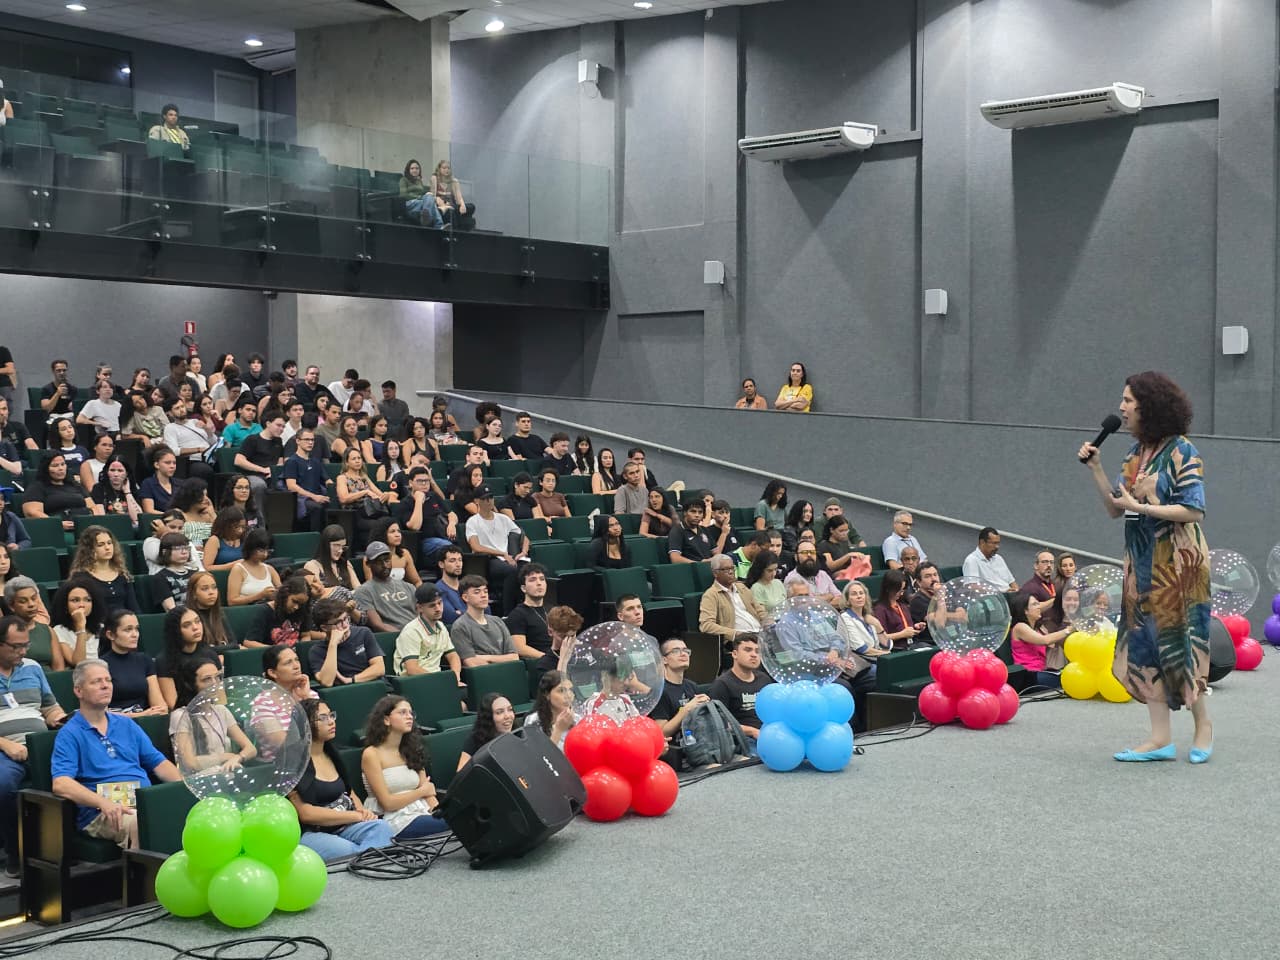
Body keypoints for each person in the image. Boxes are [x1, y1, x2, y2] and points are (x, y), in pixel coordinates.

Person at [1078, 371, 1212, 763]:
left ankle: (1203, 726)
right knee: (1145, 644)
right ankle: (1160, 739)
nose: (1121, 407)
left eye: (1128, 400)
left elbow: (1194, 510)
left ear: (1148, 406)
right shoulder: (1134, 455)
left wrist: (1143, 507)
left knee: (1181, 643)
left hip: (1179, 565)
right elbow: (1114, 509)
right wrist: (1097, 469)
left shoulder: (1182, 451)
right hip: (1140, 562)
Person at [51, 659, 181, 849]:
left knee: (184, 812)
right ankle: (144, 868)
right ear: (79, 691)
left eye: (108, 680)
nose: (105, 685)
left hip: (142, 799)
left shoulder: (127, 724)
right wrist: (103, 802)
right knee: (144, 823)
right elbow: (61, 784)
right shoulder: (69, 733)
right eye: (96, 682)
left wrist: (183, 789)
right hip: (101, 810)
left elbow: (159, 763)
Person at [0, 614, 69, 875]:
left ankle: (64, 850)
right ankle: (15, 851)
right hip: (6, 750)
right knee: (3, 784)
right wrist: (6, 745)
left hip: (40, 745)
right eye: (16, 646)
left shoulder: (32, 668)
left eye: (25, 645)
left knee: (78, 772)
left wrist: (61, 718)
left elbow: (49, 707)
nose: (23, 651)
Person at [289, 699, 394, 861]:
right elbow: (306, 814)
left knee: (382, 827)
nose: (331, 721)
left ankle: (367, 861)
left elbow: (349, 792)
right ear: (305, 724)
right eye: (323, 718)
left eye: (331, 715)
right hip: (313, 832)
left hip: (344, 824)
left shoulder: (332, 754)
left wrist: (363, 812)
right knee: (350, 850)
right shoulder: (293, 762)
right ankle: (368, 862)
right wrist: (355, 816)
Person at [361, 696, 449, 839]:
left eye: (410, 713)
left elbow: (429, 794)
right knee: (454, 824)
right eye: (402, 712)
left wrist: (438, 811)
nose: (409, 717)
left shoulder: (412, 749)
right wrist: (421, 792)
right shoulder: (371, 754)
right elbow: (387, 803)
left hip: (421, 811)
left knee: (457, 819)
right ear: (386, 719)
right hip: (394, 819)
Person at [169, 659, 256, 776]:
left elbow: (251, 749)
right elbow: (189, 763)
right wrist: (225, 757)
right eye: (207, 679)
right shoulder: (180, 715)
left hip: (225, 774)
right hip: (198, 779)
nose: (215, 683)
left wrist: (238, 758)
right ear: (190, 685)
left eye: (217, 677)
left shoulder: (221, 710)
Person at [465, 487, 527, 613]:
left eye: (491, 498)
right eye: (485, 499)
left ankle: (526, 608)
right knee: (511, 570)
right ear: (477, 501)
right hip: (488, 559)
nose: (489, 501)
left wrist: (523, 552)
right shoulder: (472, 521)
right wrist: (502, 554)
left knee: (528, 569)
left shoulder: (503, 518)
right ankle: (508, 612)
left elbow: (523, 537)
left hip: (508, 557)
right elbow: (476, 547)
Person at [393, 583, 464, 686]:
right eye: (432, 605)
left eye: (440, 603)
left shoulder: (441, 626)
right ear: (420, 608)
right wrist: (441, 682)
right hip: (412, 683)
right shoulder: (411, 631)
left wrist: (455, 678)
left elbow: (453, 656)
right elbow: (412, 669)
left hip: (435, 680)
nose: (438, 608)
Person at [98, 610, 166, 714]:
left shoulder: (144, 660)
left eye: (136, 629)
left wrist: (158, 711)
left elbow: (159, 704)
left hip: (146, 717)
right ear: (111, 635)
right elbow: (102, 713)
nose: (135, 634)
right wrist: (141, 715)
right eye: (128, 630)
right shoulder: (100, 665)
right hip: (117, 720)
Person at [307, 597, 385, 688]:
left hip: (374, 685)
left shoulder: (363, 633)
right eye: (338, 622)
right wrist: (333, 645)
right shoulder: (317, 651)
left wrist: (351, 680)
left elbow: (379, 668)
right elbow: (327, 682)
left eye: (345, 618)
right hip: (345, 692)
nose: (345, 625)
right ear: (324, 628)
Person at [155, 604, 221, 709]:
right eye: (186, 625)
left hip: (213, 710)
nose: (195, 627)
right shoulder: (164, 660)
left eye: (197, 621)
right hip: (183, 713)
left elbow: (221, 697)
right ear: (175, 630)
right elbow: (172, 703)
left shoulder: (210, 654)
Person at [708, 636, 771, 745]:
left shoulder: (764, 679)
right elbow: (718, 723)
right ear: (734, 654)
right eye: (748, 650)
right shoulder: (722, 684)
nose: (754, 655)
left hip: (769, 733)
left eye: (757, 651)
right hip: (742, 740)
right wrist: (752, 731)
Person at [648, 638, 708, 751]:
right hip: (675, 751)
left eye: (686, 650)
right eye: (676, 651)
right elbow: (661, 732)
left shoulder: (692, 686)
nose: (683, 654)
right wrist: (686, 710)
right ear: (664, 660)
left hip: (698, 746)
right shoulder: (660, 690)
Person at [69, 524, 140, 614]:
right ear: (90, 549)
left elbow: (134, 607)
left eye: (109, 543)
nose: (107, 548)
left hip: (125, 620)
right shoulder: (81, 578)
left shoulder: (122, 574)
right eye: (100, 545)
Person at [699, 553, 768, 646]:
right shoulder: (711, 595)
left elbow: (759, 610)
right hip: (737, 640)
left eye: (732, 568)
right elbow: (706, 625)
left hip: (759, 633)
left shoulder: (742, 587)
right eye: (726, 569)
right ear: (715, 573)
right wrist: (735, 634)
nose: (731, 572)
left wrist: (768, 622)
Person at [450, 576, 518, 668]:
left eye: (485, 591)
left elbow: (514, 657)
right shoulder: (460, 626)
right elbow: (471, 662)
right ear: (465, 597)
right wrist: (502, 659)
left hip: (507, 672)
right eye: (477, 592)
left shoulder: (498, 621)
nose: (483, 595)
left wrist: (486, 658)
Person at [394, 467, 456, 567]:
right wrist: (419, 500)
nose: (424, 484)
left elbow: (451, 514)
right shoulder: (405, 503)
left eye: (426, 481)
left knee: (454, 548)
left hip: (442, 535)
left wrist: (452, 524)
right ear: (410, 483)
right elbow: (415, 526)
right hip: (423, 541)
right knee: (449, 548)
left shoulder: (433, 496)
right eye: (420, 481)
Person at [1008, 593, 1071, 690]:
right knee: (1068, 679)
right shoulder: (1020, 627)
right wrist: (1069, 629)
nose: (1039, 607)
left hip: (1041, 670)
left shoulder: (1038, 629)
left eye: (1038, 603)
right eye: (1034, 604)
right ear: (1025, 610)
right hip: (1029, 675)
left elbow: (1052, 642)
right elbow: (1045, 640)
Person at [353, 542, 417, 632]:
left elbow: (423, 614)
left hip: (418, 633)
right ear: (368, 564)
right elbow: (378, 625)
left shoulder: (408, 587)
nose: (384, 565)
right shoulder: (363, 592)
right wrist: (404, 635)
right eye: (379, 562)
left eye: (387, 560)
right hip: (394, 636)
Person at [48, 574, 108, 668]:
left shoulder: (101, 627)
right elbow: (79, 662)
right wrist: (81, 627)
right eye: (75, 600)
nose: (81, 605)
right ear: (65, 605)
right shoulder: (59, 630)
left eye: (87, 600)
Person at [242, 577, 319, 649]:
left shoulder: (303, 610)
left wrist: (302, 648)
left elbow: (305, 635)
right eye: (294, 601)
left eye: (301, 604)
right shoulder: (264, 611)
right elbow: (249, 642)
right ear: (285, 594)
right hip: (273, 654)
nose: (296, 607)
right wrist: (278, 651)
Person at [234, 412, 285, 520]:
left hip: (272, 475)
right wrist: (262, 470)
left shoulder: (278, 441)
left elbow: (280, 461)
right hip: (253, 475)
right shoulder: (252, 439)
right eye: (278, 425)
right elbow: (239, 460)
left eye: (283, 426)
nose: (281, 429)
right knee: (259, 485)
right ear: (268, 423)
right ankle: (259, 521)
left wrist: (274, 471)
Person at [23, 452, 93, 529]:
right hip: (56, 528)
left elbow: (92, 507)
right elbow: (31, 513)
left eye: (63, 464)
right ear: (46, 469)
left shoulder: (75, 485)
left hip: (85, 526)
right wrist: (57, 524)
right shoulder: (37, 487)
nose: (61, 468)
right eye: (55, 466)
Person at [283, 428, 331, 533]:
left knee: (332, 505)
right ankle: (315, 538)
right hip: (302, 500)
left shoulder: (315, 461)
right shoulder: (292, 461)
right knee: (316, 507)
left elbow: (328, 480)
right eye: (307, 439)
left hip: (317, 496)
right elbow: (291, 486)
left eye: (312, 440)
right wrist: (314, 496)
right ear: (298, 441)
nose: (310, 442)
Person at [505, 564, 553, 660]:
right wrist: (548, 658)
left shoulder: (552, 610)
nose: (539, 583)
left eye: (542, 579)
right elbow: (519, 648)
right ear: (523, 588)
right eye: (532, 580)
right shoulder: (517, 615)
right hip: (539, 662)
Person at [873, 570, 926, 650]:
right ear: (888, 588)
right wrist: (902, 634)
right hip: (897, 649)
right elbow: (882, 637)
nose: (901, 593)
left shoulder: (903, 605)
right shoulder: (880, 609)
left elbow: (905, 627)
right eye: (898, 590)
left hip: (912, 644)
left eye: (903, 590)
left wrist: (915, 627)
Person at [523, 671, 577, 749]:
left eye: (570, 690)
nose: (568, 695)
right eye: (561, 690)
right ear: (546, 694)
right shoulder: (533, 721)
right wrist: (558, 730)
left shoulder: (578, 718)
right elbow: (539, 756)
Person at [227, 528, 280, 607]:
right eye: (261, 550)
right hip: (247, 610)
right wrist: (260, 595)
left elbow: (281, 593)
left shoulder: (270, 569)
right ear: (251, 548)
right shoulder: (238, 569)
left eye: (268, 551)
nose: (265, 554)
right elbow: (232, 601)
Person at [186, 571, 237, 652]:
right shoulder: (187, 616)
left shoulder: (219, 613)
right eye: (205, 589)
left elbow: (234, 644)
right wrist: (224, 649)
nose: (211, 592)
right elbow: (198, 650)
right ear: (193, 594)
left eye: (214, 587)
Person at [784, 542, 844, 608]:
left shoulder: (823, 574)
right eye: (804, 552)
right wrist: (829, 596)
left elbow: (840, 599)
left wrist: (817, 601)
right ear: (796, 557)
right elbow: (804, 605)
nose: (809, 555)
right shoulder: (792, 578)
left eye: (812, 552)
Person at [962, 527, 1018, 592]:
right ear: (982, 542)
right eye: (994, 543)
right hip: (993, 596)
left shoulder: (999, 558)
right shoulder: (972, 560)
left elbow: (1012, 582)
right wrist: (1001, 593)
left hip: (1009, 594)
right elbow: (972, 587)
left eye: (998, 543)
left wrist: (1017, 591)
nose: (997, 547)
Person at [89, 455, 141, 524]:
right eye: (112, 470)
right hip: (108, 525)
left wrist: (127, 492)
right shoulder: (99, 488)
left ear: (127, 473)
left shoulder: (133, 489)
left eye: (120, 471)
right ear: (107, 472)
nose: (116, 474)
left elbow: (137, 518)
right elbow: (101, 518)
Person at [153, 532, 196, 611]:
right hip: (180, 615)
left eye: (186, 548)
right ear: (165, 552)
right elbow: (170, 608)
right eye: (178, 548)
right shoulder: (160, 577)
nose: (184, 552)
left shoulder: (195, 574)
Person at [668, 499, 714, 563]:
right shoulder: (677, 531)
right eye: (693, 511)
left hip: (710, 565)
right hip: (693, 567)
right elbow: (675, 558)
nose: (697, 515)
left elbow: (716, 552)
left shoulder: (704, 530)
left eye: (700, 512)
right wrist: (699, 564)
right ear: (685, 513)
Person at [430, 159, 473, 229]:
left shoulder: (454, 181)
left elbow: (459, 198)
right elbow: (432, 197)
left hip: (452, 204)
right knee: (450, 212)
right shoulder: (435, 178)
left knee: (471, 207)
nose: (446, 170)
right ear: (439, 169)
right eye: (444, 168)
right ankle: (454, 231)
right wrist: (443, 205)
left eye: (448, 168)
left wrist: (463, 205)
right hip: (440, 205)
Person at [202, 507, 246, 572]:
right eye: (236, 527)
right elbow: (207, 567)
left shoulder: (244, 539)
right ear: (225, 526)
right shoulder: (214, 540)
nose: (240, 530)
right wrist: (233, 565)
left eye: (243, 527)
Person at [908, 561, 942, 643]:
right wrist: (940, 597)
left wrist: (945, 615)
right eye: (928, 576)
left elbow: (963, 617)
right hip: (930, 642)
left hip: (949, 638)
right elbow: (940, 623)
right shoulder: (917, 600)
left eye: (935, 575)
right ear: (919, 582)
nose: (934, 579)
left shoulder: (946, 593)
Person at [138, 447, 179, 514]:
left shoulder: (180, 484)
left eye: (174, 463)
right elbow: (149, 510)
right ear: (157, 465)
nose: (172, 466)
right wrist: (171, 516)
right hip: (158, 519)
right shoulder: (148, 484)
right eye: (167, 463)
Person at [434, 548, 469, 626]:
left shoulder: (468, 586)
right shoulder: (438, 589)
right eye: (452, 561)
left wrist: (461, 612)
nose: (458, 564)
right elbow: (451, 617)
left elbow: (486, 610)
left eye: (460, 560)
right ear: (441, 564)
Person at [746, 549, 786, 618]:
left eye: (775, 569)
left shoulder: (778, 583)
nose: (774, 574)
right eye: (769, 571)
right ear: (761, 569)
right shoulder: (757, 588)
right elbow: (761, 615)